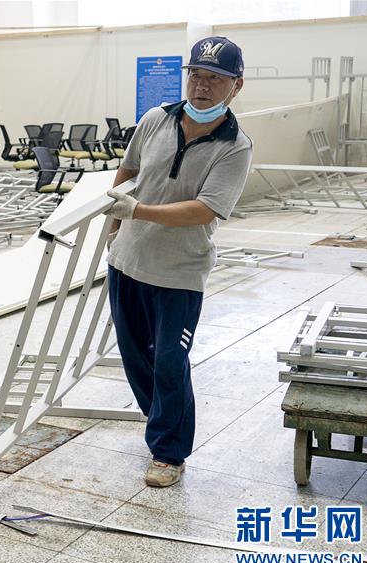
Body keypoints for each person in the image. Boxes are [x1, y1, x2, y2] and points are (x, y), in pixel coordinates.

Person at [104, 36, 252, 488]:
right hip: (128, 261)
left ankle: (169, 452)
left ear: (236, 85)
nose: (202, 86)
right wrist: (115, 224)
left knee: (170, 360)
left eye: (215, 79)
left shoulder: (235, 146)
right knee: (135, 357)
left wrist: (139, 212)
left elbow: (206, 209)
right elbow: (129, 169)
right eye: (196, 75)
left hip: (179, 273)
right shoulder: (155, 119)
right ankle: (160, 423)